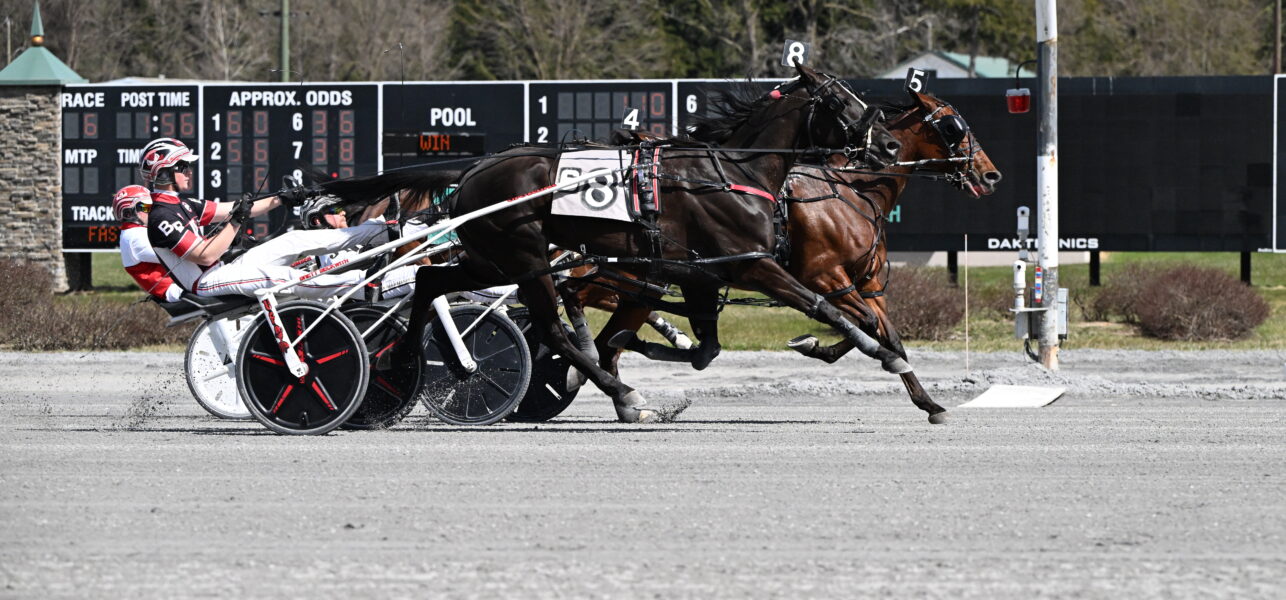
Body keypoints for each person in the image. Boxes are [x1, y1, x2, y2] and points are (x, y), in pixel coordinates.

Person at [140, 138, 390, 299]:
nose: (189, 172)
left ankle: (377, 231)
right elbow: (205, 255)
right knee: (283, 278)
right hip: (206, 282)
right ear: (164, 173)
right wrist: (235, 222)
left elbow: (234, 209)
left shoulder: (183, 203)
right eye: (183, 167)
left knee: (293, 240)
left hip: (223, 270)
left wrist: (282, 199)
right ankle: (362, 284)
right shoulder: (161, 216)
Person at [112, 184, 183, 302]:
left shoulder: (138, 232)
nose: (152, 211)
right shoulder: (134, 236)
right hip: (174, 289)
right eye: (145, 207)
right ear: (129, 214)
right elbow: (176, 255)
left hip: (182, 282)